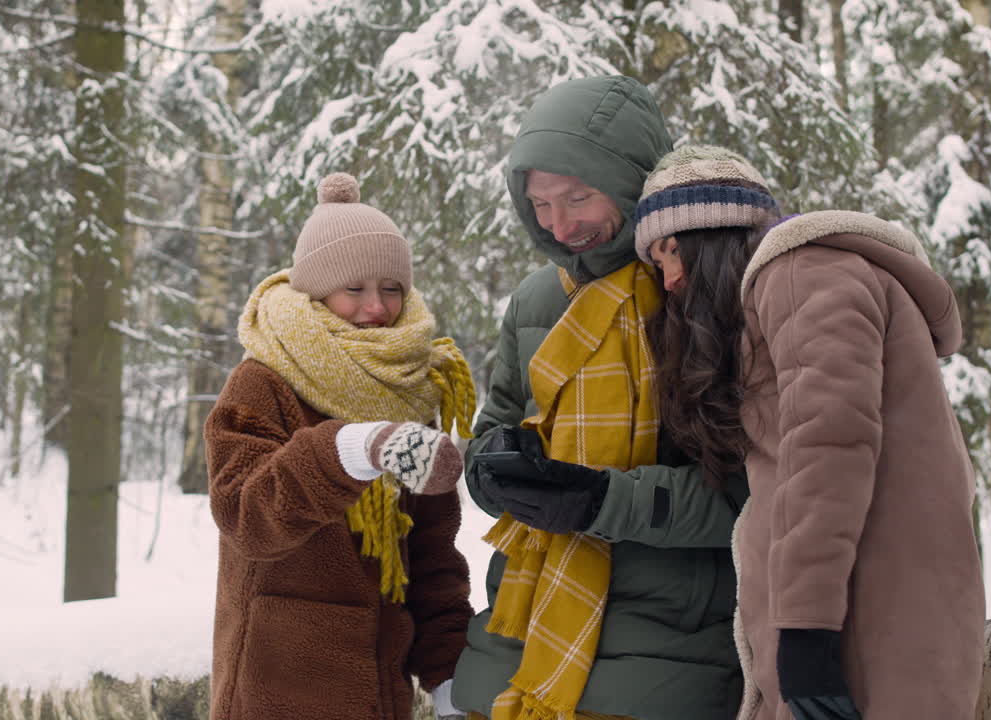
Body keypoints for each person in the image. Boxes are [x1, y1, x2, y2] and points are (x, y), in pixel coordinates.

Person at [634, 145, 985, 720]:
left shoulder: (801, 272)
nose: (669, 278)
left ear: (717, 234)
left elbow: (830, 448)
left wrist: (806, 631)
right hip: (878, 614)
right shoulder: (803, 286)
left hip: (862, 627)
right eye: (656, 261)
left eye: (674, 250)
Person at [450, 76, 749, 720]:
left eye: (579, 196)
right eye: (540, 204)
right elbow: (492, 427)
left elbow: (751, 499)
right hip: (517, 643)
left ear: (633, 181)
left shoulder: (700, 287)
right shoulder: (537, 300)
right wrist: (495, 467)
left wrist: (599, 501)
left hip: (667, 654)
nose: (560, 224)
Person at [203, 172, 476, 720]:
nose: (377, 307)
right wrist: (350, 449)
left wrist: (448, 676)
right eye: (354, 288)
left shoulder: (409, 390)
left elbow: (431, 554)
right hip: (277, 687)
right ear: (317, 290)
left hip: (382, 691)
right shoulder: (263, 382)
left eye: (392, 288)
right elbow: (246, 517)